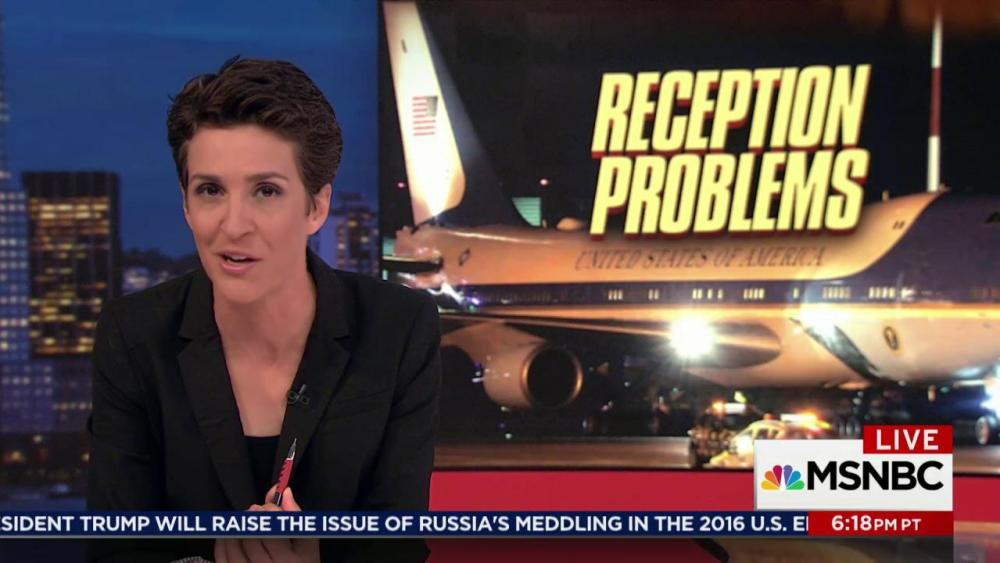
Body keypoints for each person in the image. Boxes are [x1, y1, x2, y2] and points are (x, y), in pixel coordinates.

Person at [86, 57, 441, 562]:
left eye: (266, 191)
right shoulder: (134, 336)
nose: (234, 225)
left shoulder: (397, 328)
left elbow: (396, 549)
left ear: (316, 207)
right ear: (186, 205)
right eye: (210, 190)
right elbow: (115, 552)